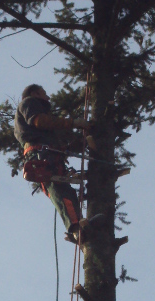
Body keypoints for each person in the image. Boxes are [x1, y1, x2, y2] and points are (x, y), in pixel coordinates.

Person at [14, 83, 97, 243]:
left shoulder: (40, 128)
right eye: (44, 93)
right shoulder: (29, 102)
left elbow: (46, 134)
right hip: (41, 155)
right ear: (35, 93)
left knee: (64, 190)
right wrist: (73, 123)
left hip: (46, 153)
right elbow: (39, 121)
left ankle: (77, 226)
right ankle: (76, 228)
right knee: (60, 190)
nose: (48, 97)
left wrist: (76, 144)